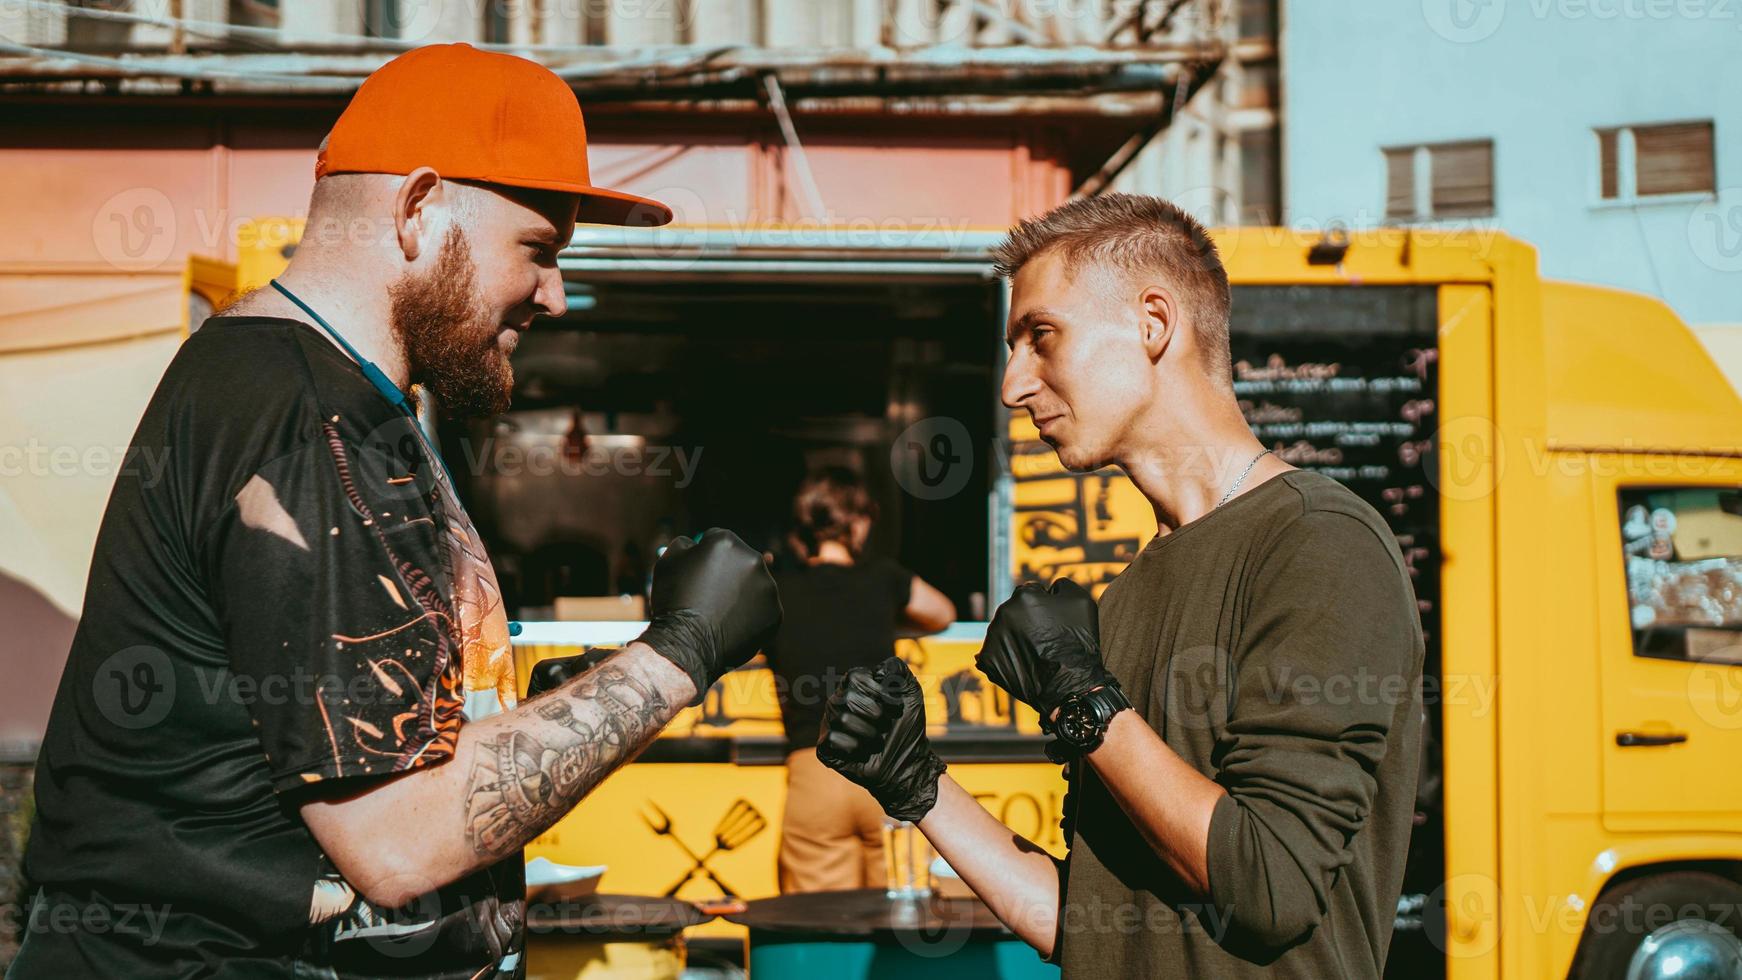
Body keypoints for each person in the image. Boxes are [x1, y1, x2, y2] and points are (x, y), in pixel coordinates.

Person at [14, 44, 781, 978]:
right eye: (538, 250)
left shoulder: (322, 394)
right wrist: (679, 655)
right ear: (419, 209)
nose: (556, 295)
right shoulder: (308, 416)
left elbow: (366, 741)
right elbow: (398, 839)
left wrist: (568, 700)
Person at [816, 193, 1424, 978]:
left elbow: (1268, 886)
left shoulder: (1317, 543)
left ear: (1153, 325)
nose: (1012, 386)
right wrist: (918, 785)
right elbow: (1097, 925)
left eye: (1041, 338)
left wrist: (1085, 700)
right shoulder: (1129, 591)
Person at [763, 468, 955, 893]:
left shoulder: (777, 590)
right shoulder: (883, 579)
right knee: (897, 916)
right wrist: (887, 621)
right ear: (858, 520)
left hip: (813, 771)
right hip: (886, 770)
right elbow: (942, 613)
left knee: (820, 927)